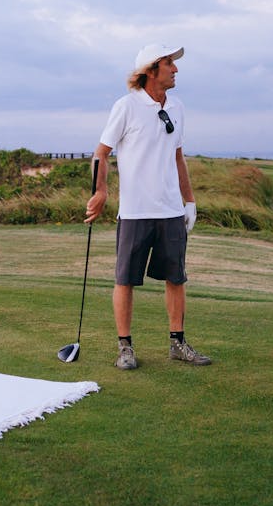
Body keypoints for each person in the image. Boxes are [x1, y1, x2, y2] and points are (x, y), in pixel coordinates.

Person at [85, 44, 211, 369]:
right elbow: (101, 153)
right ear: (151, 70)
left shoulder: (178, 107)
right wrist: (101, 192)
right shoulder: (126, 106)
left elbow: (178, 156)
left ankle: (177, 343)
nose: (176, 69)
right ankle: (125, 348)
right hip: (135, 212)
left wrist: (190, 200)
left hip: (170, 210)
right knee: (125, 279)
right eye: (169, 63)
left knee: (176, 279)